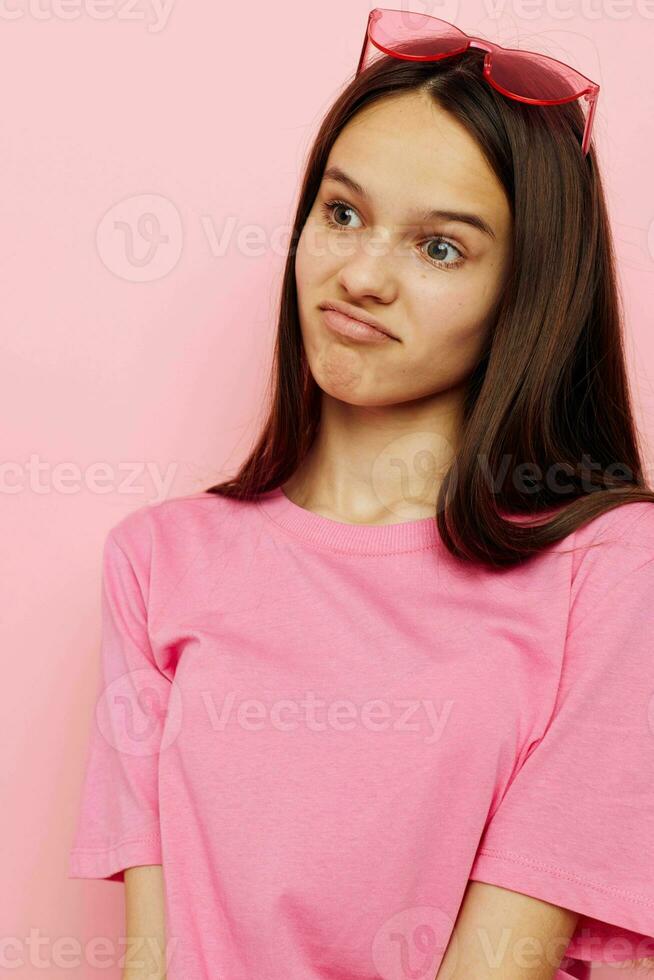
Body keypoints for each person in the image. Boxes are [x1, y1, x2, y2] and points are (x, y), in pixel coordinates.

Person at [68, 19, 654, 980]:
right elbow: (154, 957)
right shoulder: (157, 560)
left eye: (440, 248)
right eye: (343, 214)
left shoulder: (614, 569)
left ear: (529, 291)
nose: (363, 276)